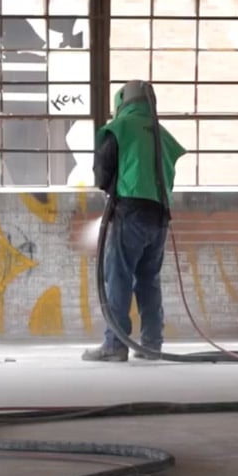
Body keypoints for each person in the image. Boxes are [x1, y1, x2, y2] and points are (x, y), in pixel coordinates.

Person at [82, 80, 187, 363]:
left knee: (118, 277)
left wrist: (111, 188)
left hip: (130, 212)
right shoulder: (162, 134)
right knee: (148, 280)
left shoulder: (118, 129)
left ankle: (115, 345)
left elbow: (102, 173)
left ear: (122, 103)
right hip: (160, 216)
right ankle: (152, 344)